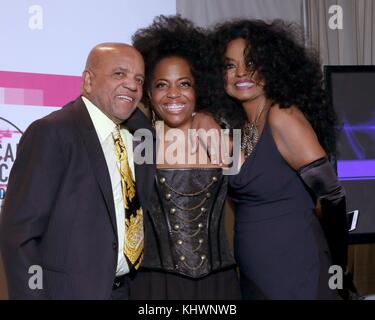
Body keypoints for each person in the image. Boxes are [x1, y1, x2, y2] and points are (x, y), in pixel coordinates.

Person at [203, 19, 351, 299]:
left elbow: (333, 197)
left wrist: (339, 272)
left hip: (297, 268)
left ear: (273, 67)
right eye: (230, 65)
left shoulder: (282, 117)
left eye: (252, 63)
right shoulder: (239, 128)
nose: (241, 73)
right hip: (254, 272)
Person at [0, 43, 156, 299]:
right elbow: (20, 237)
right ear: (88, 80)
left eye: (138, 78)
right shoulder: (52, 132)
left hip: (128, 291)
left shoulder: (141, 136)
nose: (132, 85)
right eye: (119, 74)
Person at [129, 15, 241, 299]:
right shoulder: (136, 145)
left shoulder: (226, 138)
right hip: (155, 287)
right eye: (162, 85)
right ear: (148, 93)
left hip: (219, 286)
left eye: (184, 84)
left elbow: (259, 192)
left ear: (198, 87)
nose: (173, 94)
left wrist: (207, 117)